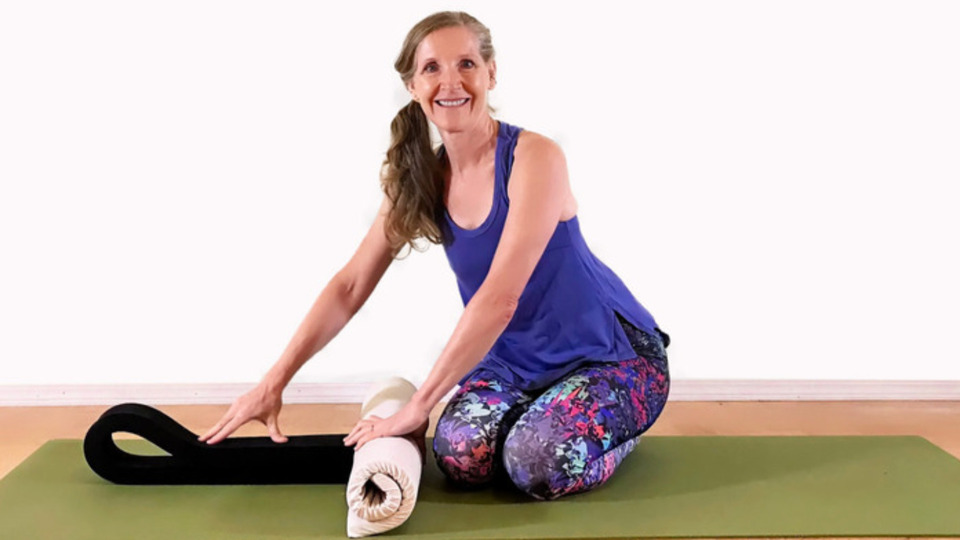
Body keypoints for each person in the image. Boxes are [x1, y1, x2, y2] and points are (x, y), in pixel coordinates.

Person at [199, 10, 671, 502]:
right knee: (460, 457)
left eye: (466, 64)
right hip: (514, 364)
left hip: (609, 356)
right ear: (412, 86)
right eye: (431, 68)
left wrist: (419, 405)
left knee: (535, 464)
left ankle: (620, 432)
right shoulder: (422, 178)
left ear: (491, 73)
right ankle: (543, 420)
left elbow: (500, 299)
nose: (451, 82)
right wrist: (272, 383)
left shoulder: (535, 158)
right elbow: (350, 286)